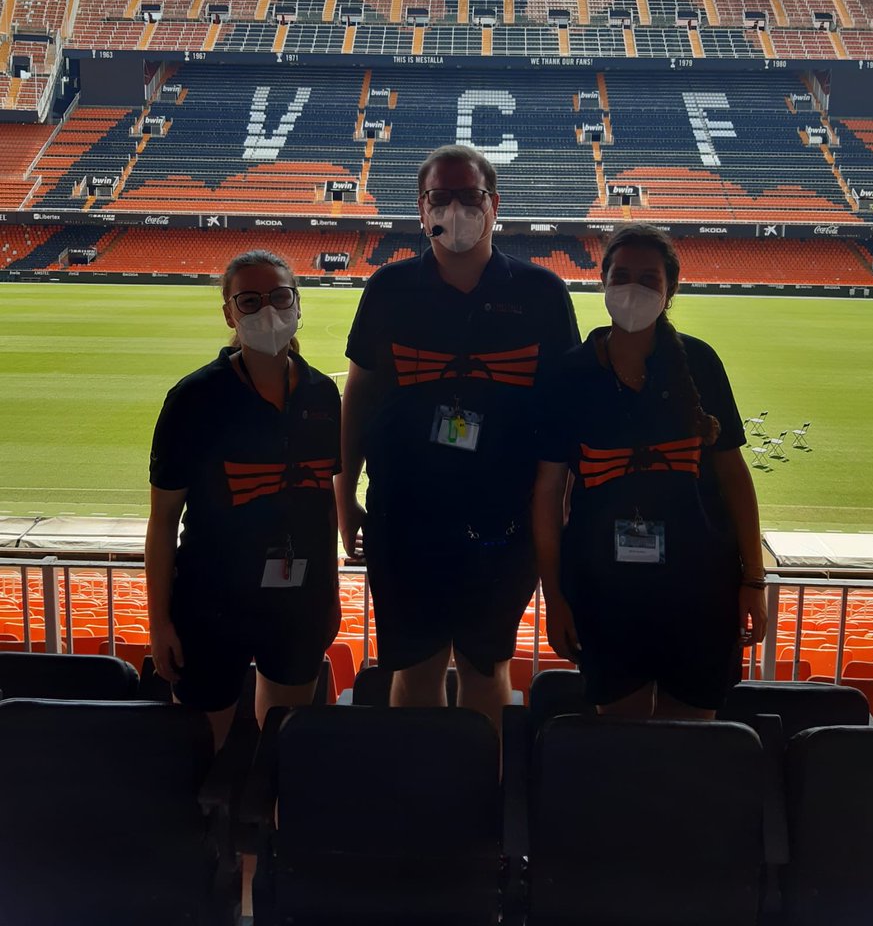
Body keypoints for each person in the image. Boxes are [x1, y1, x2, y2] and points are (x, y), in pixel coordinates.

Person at [336, 144, 580, 726]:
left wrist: (563, 507)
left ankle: (482, 795)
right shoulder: (388, 290)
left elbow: (567, 411)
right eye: (440, 197)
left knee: (486, 666)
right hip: (404, 514)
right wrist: (343, 498)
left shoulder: (543, 293)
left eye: (470, 196)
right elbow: (358, 397)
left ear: (494, 206)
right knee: (414, 668)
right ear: (421, 211)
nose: (457, 208)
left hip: (505, 517)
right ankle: (422, 796)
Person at [532, 224, 767, 720]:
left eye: (648, 278)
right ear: (602, 280)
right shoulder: (569, 374)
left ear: (671, 290)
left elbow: (733, 475)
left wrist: (754, 580)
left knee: (693, 744)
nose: (633, 288)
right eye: (622, 275)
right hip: (603, 590)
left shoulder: (699, 363)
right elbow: (548, 494)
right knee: (623, 747)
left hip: (701, 590)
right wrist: (554, 597)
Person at [146, 249, 341, 748]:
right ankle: (202, 826)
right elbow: (164, 521)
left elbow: (323, 506)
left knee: (285, 744)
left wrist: (329, 596)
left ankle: (272, 824)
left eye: (280, 297)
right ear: (229, 313)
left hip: (299, 602)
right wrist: (160, 621)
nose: (268, 311)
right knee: (199, 745)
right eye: (250, 300)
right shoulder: (194, 399)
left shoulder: (322, 395)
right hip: (210, 600)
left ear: (298, 303)